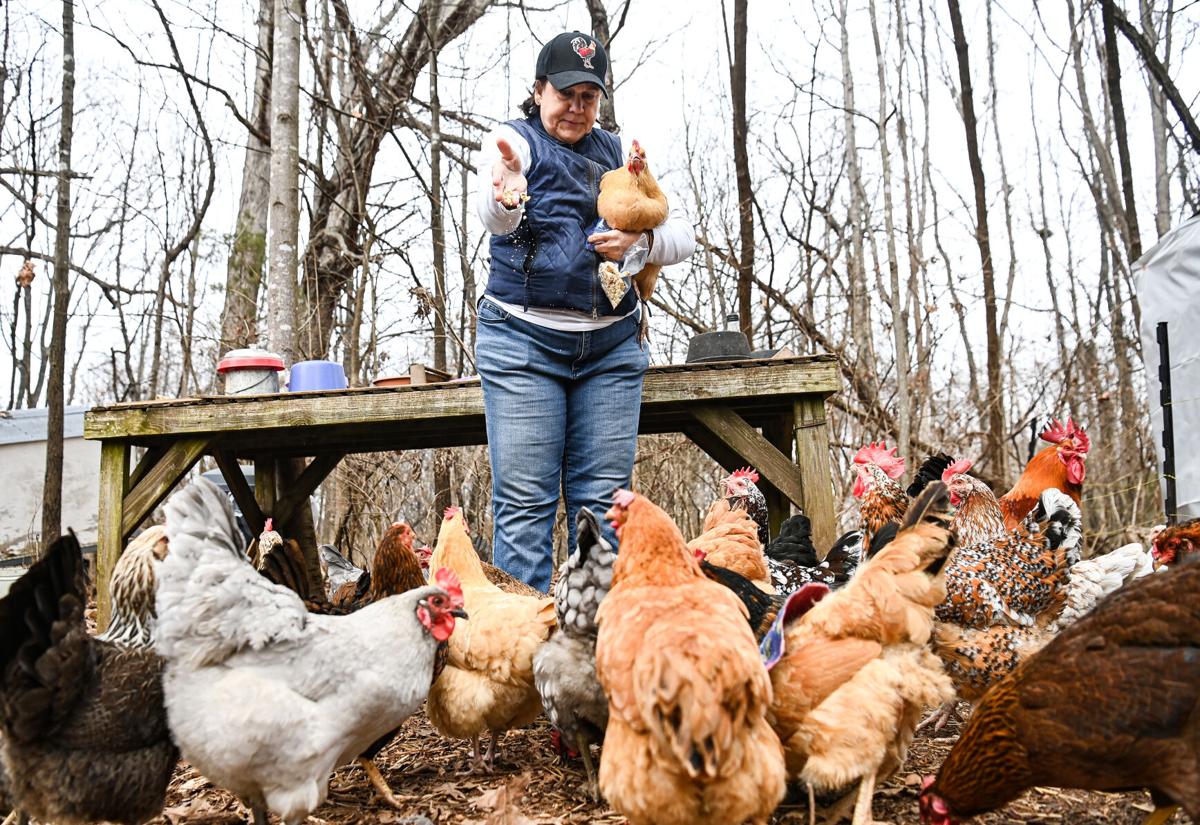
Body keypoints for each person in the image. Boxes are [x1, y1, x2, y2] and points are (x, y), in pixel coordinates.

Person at [474, 31, 695, 592]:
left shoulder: (622, 154)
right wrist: (507, 198)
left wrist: (637, 246)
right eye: (565, 94)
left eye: (588, 98)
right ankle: (523, 658)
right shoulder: (511, 144)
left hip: (611, 350)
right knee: (526, 508)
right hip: (524, 342)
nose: (576, 108)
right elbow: (494, 215)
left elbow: (683, 235)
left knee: (602, 511)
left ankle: (595, 655)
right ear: (539, 89)